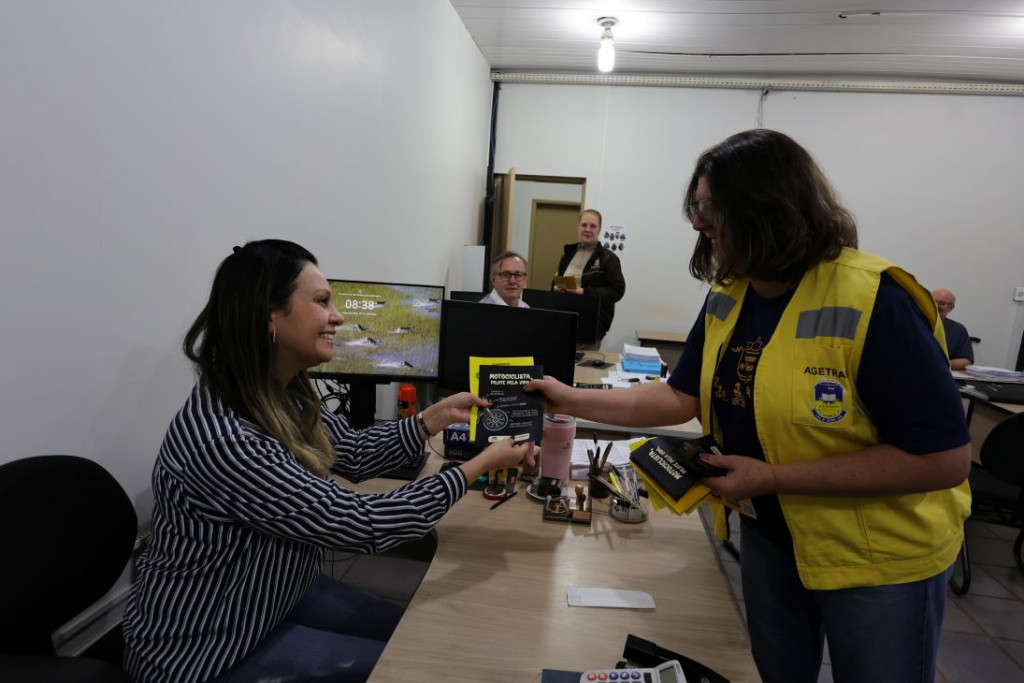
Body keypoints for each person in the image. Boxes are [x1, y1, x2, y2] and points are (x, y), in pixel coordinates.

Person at [528, 130, 971, 683]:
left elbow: (943, 460)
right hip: (770, 536)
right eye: (697, 208)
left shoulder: (876, 299)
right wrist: (569, 397)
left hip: (878, 560)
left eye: (711, 208)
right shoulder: (731, 293)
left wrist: (772, 477)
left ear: (769, 205)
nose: (698, 224)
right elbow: (679, 396)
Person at [122, 240, 533, 683]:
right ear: (269, 316)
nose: (337, 317)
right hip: (205, 650)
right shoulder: (227, 442)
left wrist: (431, 419)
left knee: (421, 638)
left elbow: (352, 451)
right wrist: (476, 466)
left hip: (273, 598)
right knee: (417, 666)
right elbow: (365, 524)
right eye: (322, 302)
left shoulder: (279, 395)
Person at [552, 209, 625, 348]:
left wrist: (584, 292)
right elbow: (555, 280)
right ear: (578, 226)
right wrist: (555, 288)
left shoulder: (609, 259)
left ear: (599, 229)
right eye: (584, 225)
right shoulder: (567, 255)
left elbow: (617, 291)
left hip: (591, 328)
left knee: (586, 362)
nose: (587, 229)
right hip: (563, 324)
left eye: (593, 226)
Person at [932, 288, 975, 370]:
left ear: (951, 308)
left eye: (942, 303)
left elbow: (967, 361)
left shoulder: (958, 330)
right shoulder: (914, 323)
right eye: (933, 301)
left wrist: (942, 363)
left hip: (942, 372)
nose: (937, 306)